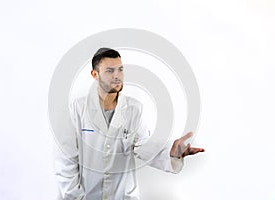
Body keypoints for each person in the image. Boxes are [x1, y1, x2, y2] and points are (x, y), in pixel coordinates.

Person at [54, 48, 205, 200]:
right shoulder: (76, 110)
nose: (117, 76)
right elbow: (66, 162)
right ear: (95, 74)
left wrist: (172, 152)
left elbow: (145, 147)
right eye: (109, 71)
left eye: (120, 70)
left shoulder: (134, 109)